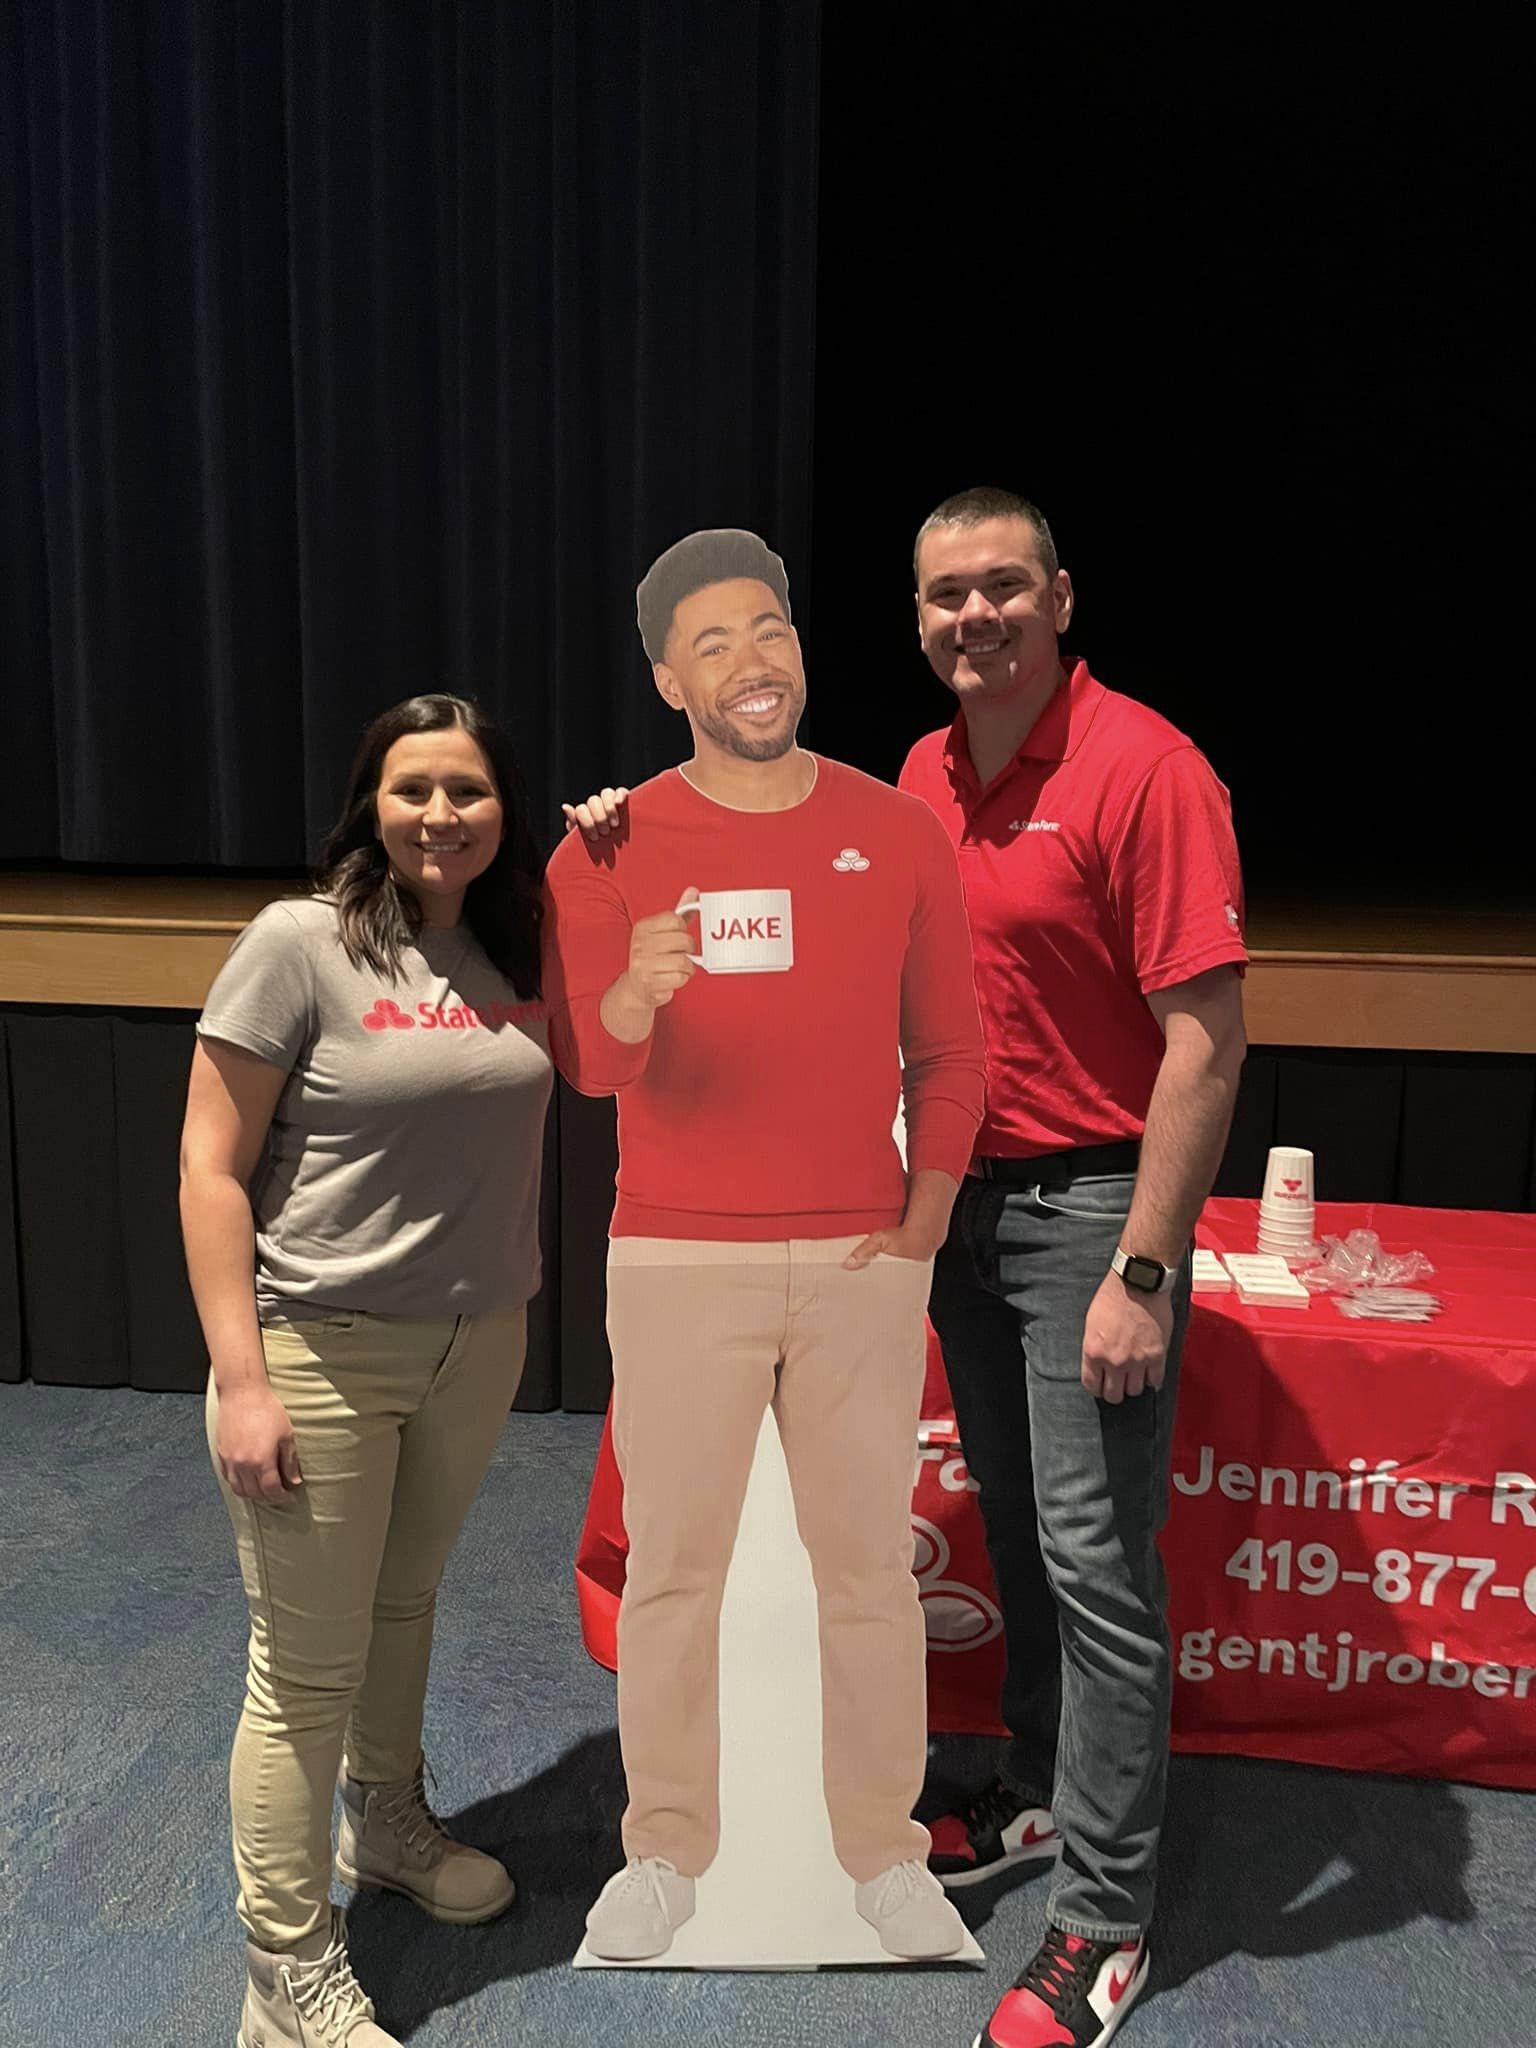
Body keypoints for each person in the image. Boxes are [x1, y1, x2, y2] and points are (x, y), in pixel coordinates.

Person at [569, 489, 1248, 2045]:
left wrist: (1144, 1268)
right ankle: (1028, 1786)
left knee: (1096, 1565)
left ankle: (1102, 1916)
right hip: (956, 1214)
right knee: (1015, 1526)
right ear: (918, 619)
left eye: (1005, 588)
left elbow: (1205, 1043)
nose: (976, 618)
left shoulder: (1149, 771)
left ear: (1061, 599)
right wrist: (624, 855)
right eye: (948, 596)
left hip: (1089, 1214)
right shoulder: (920, 783)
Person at [541, 527, 986, 1964]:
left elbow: (953, 1049)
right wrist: (632, 995)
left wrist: (922, 1222)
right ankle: (667, 1854)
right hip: (678, 1261)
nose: (752, 662)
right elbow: (596, 1073)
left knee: (867, 1570)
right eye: (713, 642)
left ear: (801, 645)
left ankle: (884, 1857)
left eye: (769, 630)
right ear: (669, 676)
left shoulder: (897, 827)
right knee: (676, 1569)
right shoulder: (606, 843)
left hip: (859, 1261)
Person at [180, 695, 553, 2048]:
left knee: (405, 1607)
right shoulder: (301, 943)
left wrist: (627, 844)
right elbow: (212, 1167)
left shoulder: (524, 944)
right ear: (371, 804)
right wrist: (242, 1377)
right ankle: (284, 1973)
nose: (441, 815)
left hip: (477, 1342)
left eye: (469, 790)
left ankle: (386, 1824)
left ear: (506, 808)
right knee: (303, 1671)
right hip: (318, 1348)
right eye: (414, 790)